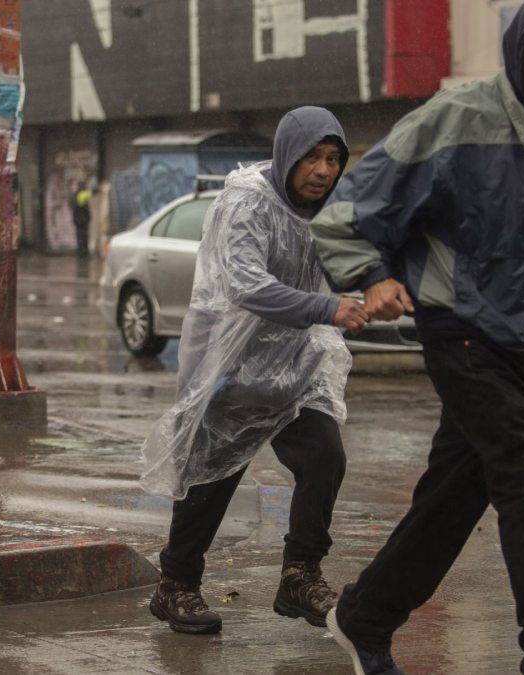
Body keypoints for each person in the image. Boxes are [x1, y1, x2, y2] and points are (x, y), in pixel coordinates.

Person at [308, 1, 524, 673]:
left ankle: (364, 615)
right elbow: (344, 214)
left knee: (454, 497)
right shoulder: (458, 117)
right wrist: (373, 277)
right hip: (459, 332)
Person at [140, 106, 369, 635]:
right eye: (312, 157)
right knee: (210, 481)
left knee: (325, 458)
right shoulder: (247, 201)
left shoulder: (326, 210)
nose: (323, 170)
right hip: (230, 364)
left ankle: (300, 576)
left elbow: (349, 258)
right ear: (289, 153)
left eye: (333, 159)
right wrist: (325, 308)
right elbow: (244, 282)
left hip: (294, 366)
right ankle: (175, 587)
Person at [72, 180, 92, 258]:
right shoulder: (81, 195)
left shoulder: (74, 195)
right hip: (82, 220)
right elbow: (91, 193)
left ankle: (81, 252)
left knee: (80, 236)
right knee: (83, 237)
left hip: (77, 219)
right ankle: (83, 253)